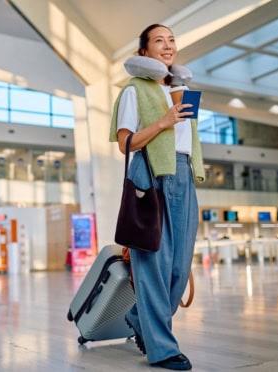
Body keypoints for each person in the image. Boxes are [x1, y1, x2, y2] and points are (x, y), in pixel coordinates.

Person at [109, 24, 205, 371]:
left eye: (171, 40)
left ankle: (138, 318)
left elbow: (185, 140)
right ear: (145, 53)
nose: (168, 46)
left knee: (179, 267)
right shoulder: (135, 90)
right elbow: (125, 143)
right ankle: (162, 349)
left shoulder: (180, 89)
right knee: (153, 266)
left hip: (183, 175)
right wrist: (164, 122)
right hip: (150, 174)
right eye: (159, 41)